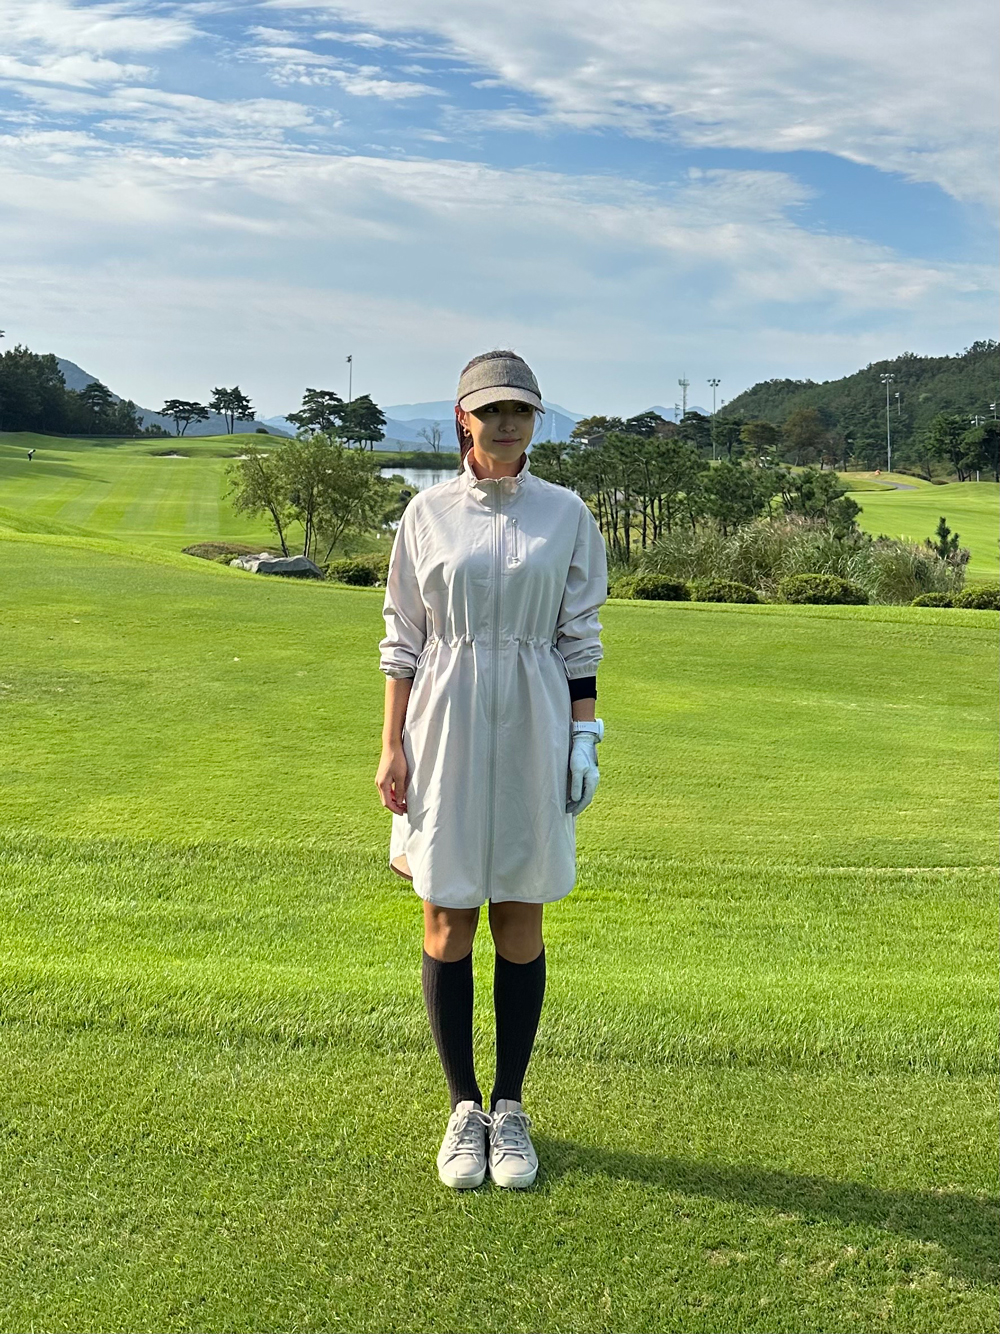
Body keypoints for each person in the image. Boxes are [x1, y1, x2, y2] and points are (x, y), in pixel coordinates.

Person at [375, 350, 607, 1190]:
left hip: (535, 720)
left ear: (535, 420)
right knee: (446, 916)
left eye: (521, 410)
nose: (507, 423)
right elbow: (403, 637)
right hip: (443, 719)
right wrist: (391, 743)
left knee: (518, 913)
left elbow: (578, 636)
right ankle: (462, 1106)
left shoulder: (566, 513)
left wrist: (585, 737)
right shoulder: (427, 513)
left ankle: (510, 1106)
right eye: (492, 410)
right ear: (463, 417)